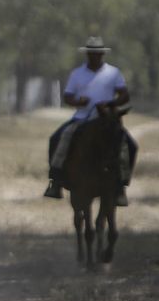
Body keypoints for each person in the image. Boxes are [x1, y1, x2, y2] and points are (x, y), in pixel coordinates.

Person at [43, 35, 138, 205]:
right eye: (91, 54)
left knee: (129, 145)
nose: (94, 56)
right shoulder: (77, 74)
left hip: (107, 119)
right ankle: (55, 181)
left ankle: (121, 184)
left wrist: (110, 103)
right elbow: (68, 96)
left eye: (97, 53)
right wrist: (79, 102)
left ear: (102, 54)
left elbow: (124, 95)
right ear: (87, 55)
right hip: (82, 118)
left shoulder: (113, 73)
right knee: (57, 138)